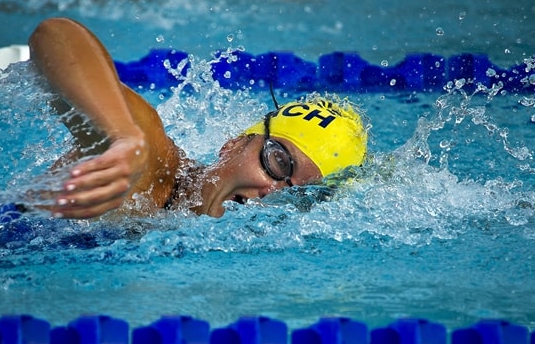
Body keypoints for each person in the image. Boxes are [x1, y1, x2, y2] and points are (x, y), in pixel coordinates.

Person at [28, 17, 367, 219]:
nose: (272, 191)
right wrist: (122, 136)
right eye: (278, 162)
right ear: (233, 144)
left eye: (299, 194)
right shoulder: (150, 166)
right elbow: (56, 35)